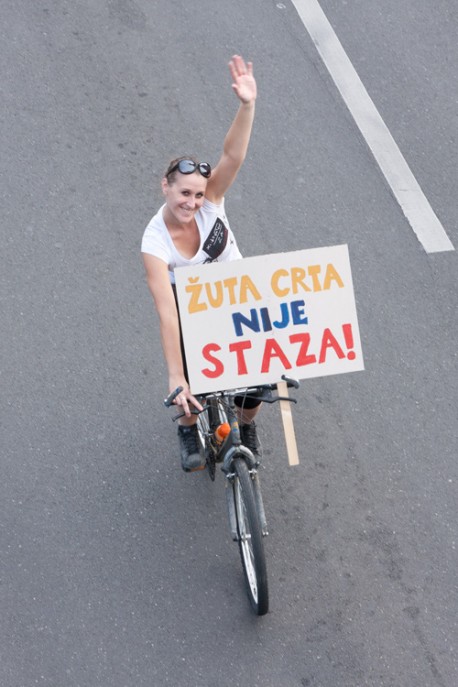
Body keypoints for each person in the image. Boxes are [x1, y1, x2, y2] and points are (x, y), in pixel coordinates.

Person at [142, 55, 262, 472]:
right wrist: (176, 376)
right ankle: (188, 426)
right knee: (192, 385)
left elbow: (232, 156)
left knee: (257, 379)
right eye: (184, 193)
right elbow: (166, 312)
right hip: (191, 307)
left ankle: (246, 424)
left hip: (235, 292)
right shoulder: (154, 241)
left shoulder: (211, 200)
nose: (192, 203)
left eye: (197, 194)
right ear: (165, 187)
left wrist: (247, 105)